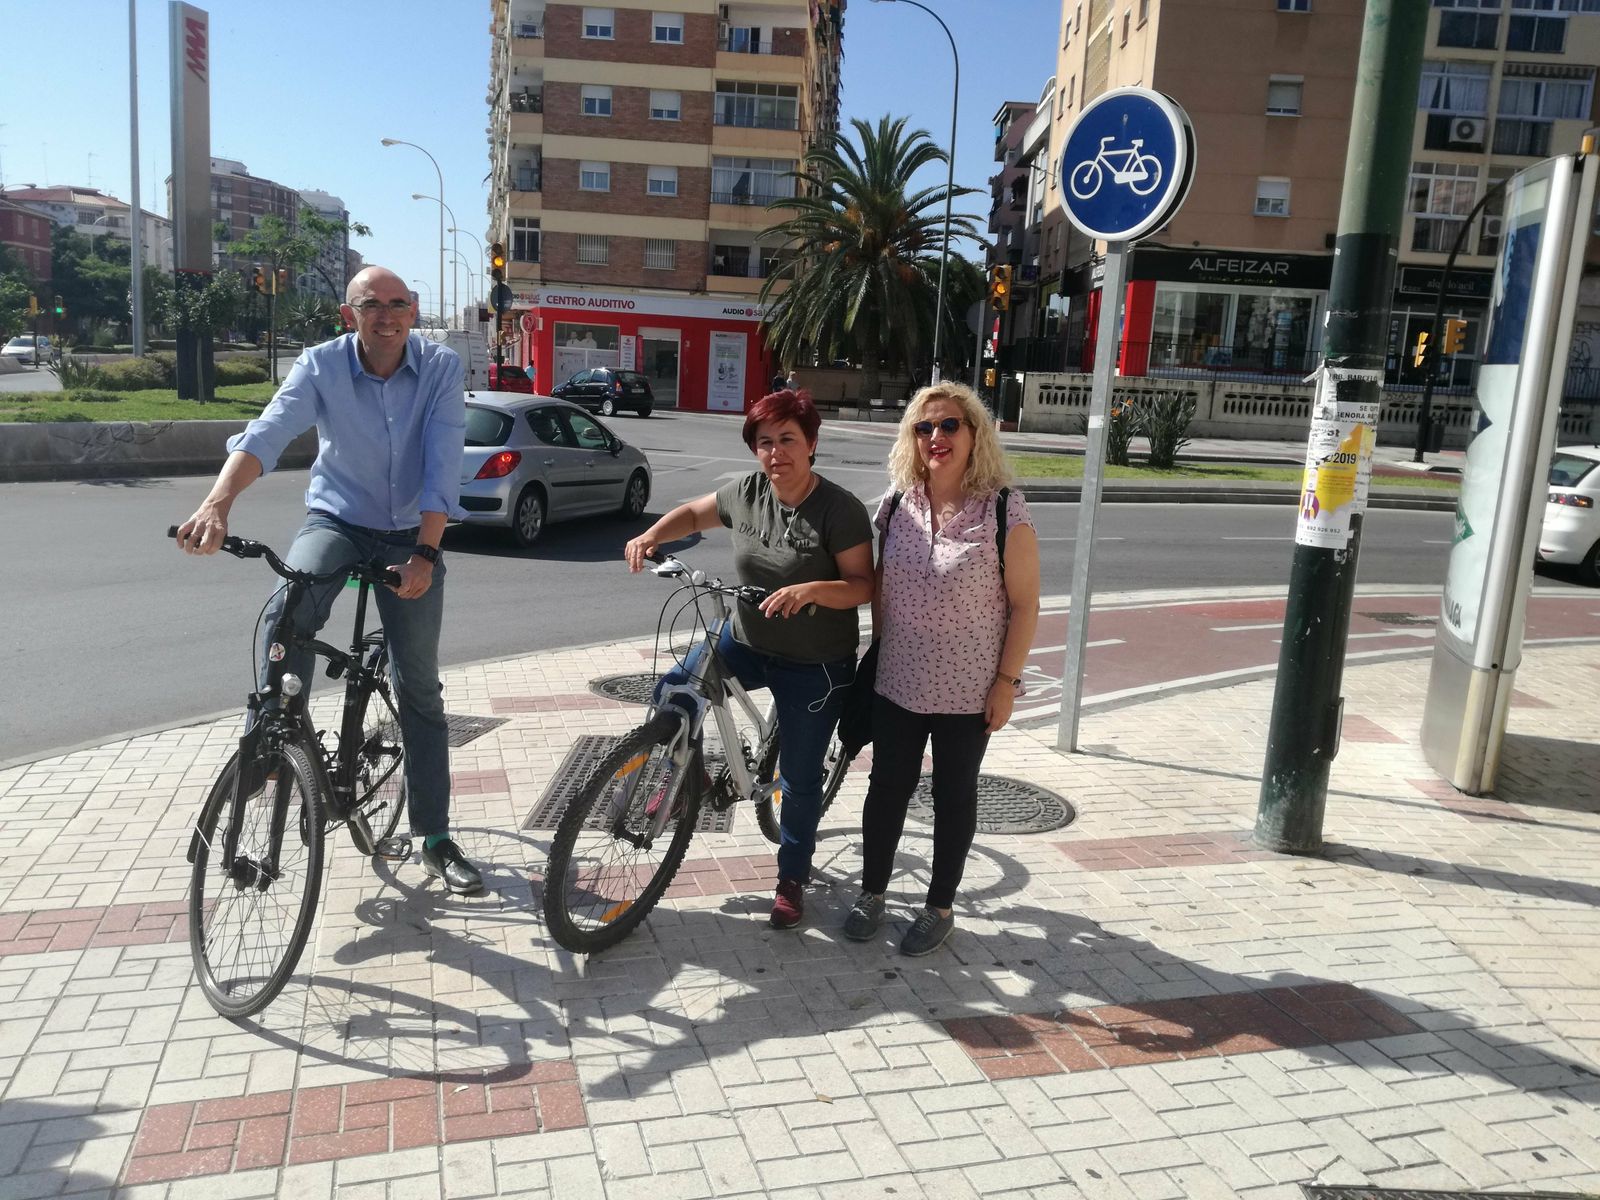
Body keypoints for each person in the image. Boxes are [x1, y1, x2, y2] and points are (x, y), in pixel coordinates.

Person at [174, 266, 482, 896]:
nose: (389, 316)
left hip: (409, 533)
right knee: (287, 608)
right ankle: (271, 732)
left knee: (417, 686)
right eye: (374, 305)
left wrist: (425, 554)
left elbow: (443, 463)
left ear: (413, 310)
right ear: (350, 315)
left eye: (401, 304)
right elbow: (268, 432)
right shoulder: (321, 365)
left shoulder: (441, 368)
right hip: (338, 518)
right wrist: (216, 505)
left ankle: (435, 835)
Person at [624, 390, 873, 928]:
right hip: (745, 639)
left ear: (811, 444)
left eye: (788, 440)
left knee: (801, 779)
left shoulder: (839, 510)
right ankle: (691, 778)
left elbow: (861, 586)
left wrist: (811, 591)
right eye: (765, 442)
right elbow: (693, 513)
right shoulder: (747, 492)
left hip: (816, 664)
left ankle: (791, 877)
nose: (776, 453)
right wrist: (650, 535)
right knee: (673, 688)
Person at [844, 382, 1040, 955]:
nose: (937, 437)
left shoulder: (1003, 507)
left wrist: (1006, 683)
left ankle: (939, 907)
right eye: (924, 428)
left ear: (974, 433)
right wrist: (879, 646)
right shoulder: (896, 503)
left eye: (950, 425)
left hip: (969, 689)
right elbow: (880, 586)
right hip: (898, 680)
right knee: (886, 791)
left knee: (954, 796)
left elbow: (1025, 604)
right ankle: (872, 894)